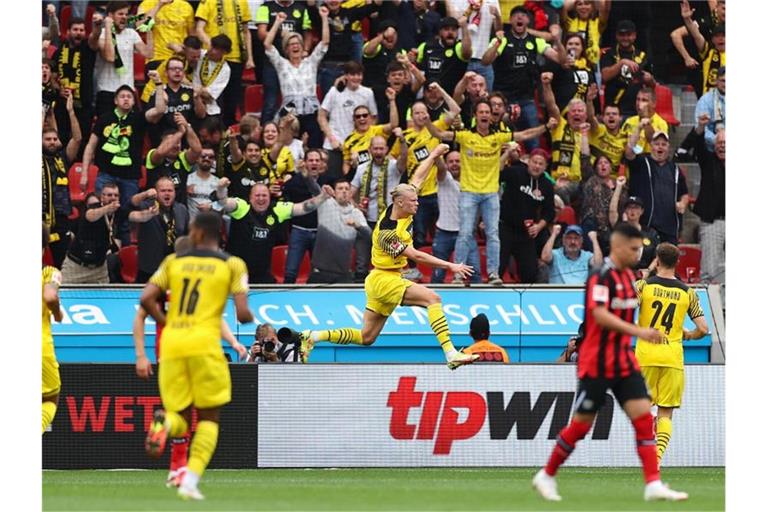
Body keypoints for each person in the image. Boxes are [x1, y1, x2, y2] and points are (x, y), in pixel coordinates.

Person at [532, 223, 689, 503]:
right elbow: (599, 314)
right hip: (597, 361)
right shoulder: (601, 275)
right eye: (633, 248)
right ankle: (546, 474)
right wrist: (640, 332)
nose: (638, 251)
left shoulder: (631, 278)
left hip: (624, 360)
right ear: (617, 247)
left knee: (643, 417)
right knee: (581, 425)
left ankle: (653, 483)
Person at [294, 145, 479, 371]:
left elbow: (418, 177)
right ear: (401, 203)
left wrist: (433, 155)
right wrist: (451, 265)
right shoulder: (386, 234)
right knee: (433, 299)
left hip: (378, 280)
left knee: (366, 337)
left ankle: (312, 336)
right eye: (413, 201)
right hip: (386, 279)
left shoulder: (401, 204)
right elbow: (414, 255)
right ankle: (450, 352)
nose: (417, 203)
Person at [141, 212, 254, 501]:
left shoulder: (173, 262)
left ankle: (163, 424)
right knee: (208, 419)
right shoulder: (233, 264)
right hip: (205, 345)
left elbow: (145, 299)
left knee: (178, 417)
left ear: (200, 234)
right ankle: (190, 481)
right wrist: (248, 312)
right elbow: (242, 314)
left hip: (172, 344)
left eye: (191, 230)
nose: (188, 235)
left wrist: (166, 320)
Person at [635, 242, 709, 469]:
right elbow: (704, 329)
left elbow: (624, 309)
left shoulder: (642, 287)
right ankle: (655, 460)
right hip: (672, 356)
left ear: (657, 259)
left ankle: (647, 453)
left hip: (645, 355)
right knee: (665, 413)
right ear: (678, 262)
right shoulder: (688, 293)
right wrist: (688, 335)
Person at [481, 5, 564, 149]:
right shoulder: (503, 39)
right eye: (515, 15)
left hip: (527, 99)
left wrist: (557, 41)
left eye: (523, 15)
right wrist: (497, 43)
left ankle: (534, 169)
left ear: (528, 21)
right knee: (500, 140)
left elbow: (560, 60)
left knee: (534, 142)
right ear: (511, 20)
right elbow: (485, 61)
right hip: (503, 100)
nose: (519, 17)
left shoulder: (535, 41)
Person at [220, 181, 336, 283]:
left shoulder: (277, 210)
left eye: (264, 195)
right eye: (257, 195)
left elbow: (303, 207)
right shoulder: (242, 207)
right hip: (235, 272)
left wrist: (322, 197)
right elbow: (225, 202)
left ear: (269, 197)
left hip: (262, 274)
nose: (261, 199)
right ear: (250, 198)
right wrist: (221, 189)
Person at [81, 84, 154, 245]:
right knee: (100, 213)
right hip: (106, 175)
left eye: (130, 96)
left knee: (125, 219)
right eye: (122, 96)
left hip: (130, 178)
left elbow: (160, 111)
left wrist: (160, 85)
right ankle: (99, 249)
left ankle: (124, 256)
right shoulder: (104, 119)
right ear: (115, 100)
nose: (126, 99)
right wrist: (84, 174)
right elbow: (90, 146)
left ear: (134, 102)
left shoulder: (139, 118)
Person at [263, 7, 329, 147]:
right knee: (289, 150)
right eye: (291, 44)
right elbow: (267, 44)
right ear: (286, 49)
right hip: (290, 115)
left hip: (311, 113)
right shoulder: (282, 64)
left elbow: (325, 42)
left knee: (314, 149)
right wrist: (277, 22)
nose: (295, 46)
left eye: (297, 43)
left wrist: (324, 18)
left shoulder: (311, 62)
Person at [498, 148, 556, 284]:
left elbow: (550, 212)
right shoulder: (516, 172)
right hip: (505, 227)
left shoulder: (547, 185)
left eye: (540, 164)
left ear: (545, 167)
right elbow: (497, 173)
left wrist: (539, 226)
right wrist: (506, 154)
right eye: (534, 162)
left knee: (530, 273)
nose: (537, 166)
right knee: (498, 268)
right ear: (528, 162)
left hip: (526, 232)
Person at [195, 0, 254, 126]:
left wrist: (250, 57)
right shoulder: (208, 2)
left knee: (232, 101)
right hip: (214, 58)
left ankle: (227, 132)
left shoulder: (242, 2)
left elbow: (245, 31)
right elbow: (199, 29)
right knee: (213, 98)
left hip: (235, 57)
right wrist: (213, 48)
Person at [254, 0, 314, 125]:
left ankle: (299, 132)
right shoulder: (265, 7)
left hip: (294, 64)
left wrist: (306, 50)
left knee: (297, 99)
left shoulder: (302, 9)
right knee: (270, 101)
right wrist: (281, 33)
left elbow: (307, 33)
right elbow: (261, 34)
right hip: (273, 62)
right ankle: (267, 131)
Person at [625, 129, 689, 245]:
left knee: (668, 262)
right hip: (646, 227)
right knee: (645, 261)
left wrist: (683, 203)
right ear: (650, 146)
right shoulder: (641, 162)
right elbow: (629, 152)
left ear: (668, 148)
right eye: (657, 144)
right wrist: (639, 128)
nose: (660, 147)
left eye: (664, 144)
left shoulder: (675, 169)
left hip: (670, 229)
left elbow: (684, 193)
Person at [318, 60, 378, 180]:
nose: (356, 78)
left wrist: (366, 139)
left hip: (358, 147)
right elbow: (321, 116)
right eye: (352, 74)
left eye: (359, 74)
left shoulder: (367, 93)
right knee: (332, 182)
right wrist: (331, 138)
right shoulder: (334, 91)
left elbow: (373, 117)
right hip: (334, 145)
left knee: (357, 182)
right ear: (345, 75)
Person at [42, 92, 82, 267]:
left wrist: (71, 112)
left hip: (61, 217)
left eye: (54, 139)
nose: (52, 142)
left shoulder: (62, 158)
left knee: (61, 263)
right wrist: (44, 112)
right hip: (39, 216)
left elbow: (78, 139)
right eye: (47, 139)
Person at [51, 14, 102, 149]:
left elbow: (95, 37)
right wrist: (58, 89)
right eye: (75, 30)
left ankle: (79, 169)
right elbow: (52, 76)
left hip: (83, 106)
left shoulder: (88, 48)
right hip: (62, 105)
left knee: (82, 141)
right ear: (68, 32)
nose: (79, 33)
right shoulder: (59, 51)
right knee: (61, 139)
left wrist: (97, 26)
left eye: (81, 30)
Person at [94, 1, 154, 115]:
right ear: (110, 16)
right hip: (107, 91)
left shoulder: (131, 33)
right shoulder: (101, 34)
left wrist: (150, 30)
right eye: (120, 14)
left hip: (127, 90)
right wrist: (108, 27)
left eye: (126, 14)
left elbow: (148, 54)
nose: (124, 17)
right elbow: (110, 57)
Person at [308, 178, 372, 284]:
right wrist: (306, 174)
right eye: (340, 188)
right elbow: (313, 187)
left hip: (343, 273)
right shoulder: (325, 203)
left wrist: (358, 226)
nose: (344, 191)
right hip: (319, 272)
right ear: (334, 192)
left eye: (347, 189)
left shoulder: (356, 213)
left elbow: (370, 236)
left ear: (351, 193)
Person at [432, 150, 481, 284]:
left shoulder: (472, 181)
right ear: (447, 164)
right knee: (438, 275)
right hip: (444, 233)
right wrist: (437, 155)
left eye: (458, 161)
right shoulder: (444, 178)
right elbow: (440, 167)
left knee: (475, 272)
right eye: (451, 161)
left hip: (466, 234)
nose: (454, 164)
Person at [129, 177, 191, 283]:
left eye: (170, 190)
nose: (167, 193)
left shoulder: (182, 209)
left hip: (174, 268)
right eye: (163, 191)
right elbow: (131, 205)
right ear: (156, 193)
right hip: (149, 269)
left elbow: (186, 237)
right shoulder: (146, 206)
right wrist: (146, 209)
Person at [62, 185, 123, 284]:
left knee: (103, 298)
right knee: (62, 295)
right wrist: (107, 208)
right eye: (109, 195)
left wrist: (148, 214)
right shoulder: (94, 208)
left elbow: (134, 215)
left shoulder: (118, 213)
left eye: (116, 195)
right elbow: (90, 216)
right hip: (76, 266)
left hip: (99, 269)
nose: (113, 198)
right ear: (102, 197)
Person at [691, 114, 725, 284]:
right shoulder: (708, 161)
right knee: (710, 273)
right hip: (713, 223)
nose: (722, 146)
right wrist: (701, 127)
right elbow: (697, 145)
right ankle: (711, 310)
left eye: (725, 143)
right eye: (719, 143)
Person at [145, 55, 207, 145]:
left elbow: (201, 115)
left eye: (180, 69)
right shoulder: (159, 92)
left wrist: (197, 98)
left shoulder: (190, 91)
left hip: (187, 139)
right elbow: (152, 120)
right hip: (164, 139)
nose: (177, 71)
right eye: (173, 69)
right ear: (166, 73)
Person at [600, 19, 655, 118]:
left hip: (637, 110)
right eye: (622, 35)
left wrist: (650, 80)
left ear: (634, 36)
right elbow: (604, 77)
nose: (625, 38)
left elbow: (652, 85)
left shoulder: (643, 56)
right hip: (614, 111)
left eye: (628, 35)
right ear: (617, 36)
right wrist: (622, 63)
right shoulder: (608, 54)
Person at [145, 113, 203, 205]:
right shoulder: (153, 154)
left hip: (179, 208)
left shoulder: (182, 158)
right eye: (173, 141)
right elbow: (160, 152)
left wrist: (187, 126)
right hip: (154, 208)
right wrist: (180, 133)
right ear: (162, 143)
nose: (176, 145)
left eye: (178, 142)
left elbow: (197, 150)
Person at [416, 16, 473, 100]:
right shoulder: (425, 47)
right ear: (440, 32)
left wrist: (464, 27)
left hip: (453, 98)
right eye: (446, 29)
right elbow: (418, 71)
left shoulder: (458, 47)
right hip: (431, 98)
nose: (450, 32)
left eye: (453, 30)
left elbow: (467, 53)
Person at [42, 223, 64, 434]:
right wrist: (57, 313)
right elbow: (50, 296)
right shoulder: (50, 272)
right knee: (51, 397)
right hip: (41, 350)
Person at [608, 188, 659, 274]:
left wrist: (648, 271)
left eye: (636, 207)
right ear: (625, 211)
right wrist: (619, 186)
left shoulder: (651, 233)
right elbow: (612, 211)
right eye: (629, 207)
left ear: (642, 211)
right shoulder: (620, 230)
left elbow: (657, 256)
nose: (632, 211)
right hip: (623, 272)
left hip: (646, 275)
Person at [680, 1, 724, 97]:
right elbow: (696, 35)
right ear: (713, 39)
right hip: (708, 103)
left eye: (724, 36)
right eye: (717, 36)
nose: (721, 39)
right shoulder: (708, 51)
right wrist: (687, 19)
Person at [191, 34, 233, 119]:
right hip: (188, 101)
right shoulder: (200, 54)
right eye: (212, 46)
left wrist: (189, 85)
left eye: (216, 49)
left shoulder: (225, 69)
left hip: (209, 108)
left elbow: (209, 95)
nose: (211, 50)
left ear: (224, 52)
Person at [620, 87, 669, 155]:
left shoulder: (661, 123)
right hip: (631, 158)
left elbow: (655, 144)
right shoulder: (629, 121)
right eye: (638, 99)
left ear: (653, 104)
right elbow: (621, 143)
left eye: (644, 100)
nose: (639, 103)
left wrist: (645, 118)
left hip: (650, 159)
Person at [693, 67, 725, 153]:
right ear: (716, 81)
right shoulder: (705, 100)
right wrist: (720, 141)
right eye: (723, 81)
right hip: (711, 149)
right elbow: (700, 129)